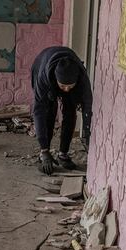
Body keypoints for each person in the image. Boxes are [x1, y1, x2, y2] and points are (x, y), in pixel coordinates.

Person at [31, 46, 92, 175]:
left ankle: (63, 154)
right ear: (56, 80)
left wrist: (88, 132)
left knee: (70, 112)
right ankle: (44, 154)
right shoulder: (43, 77)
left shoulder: (82, 79)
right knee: (49, 112)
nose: (66, 90)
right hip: (42, 64)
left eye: (70, 86)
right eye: (63, 86)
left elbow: (87, 106)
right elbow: (38, 112)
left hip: (63, 78)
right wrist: (44, 150)